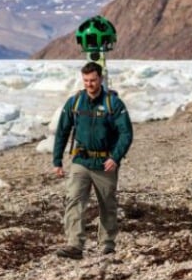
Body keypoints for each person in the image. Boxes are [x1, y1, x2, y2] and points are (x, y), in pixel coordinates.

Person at [52, 61, 133, 259]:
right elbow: (62, 131)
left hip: (105, 164)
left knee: (107, 204)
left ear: (101, 79)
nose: (89, 84)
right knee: (74, 200)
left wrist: (115, 157)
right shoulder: (75, 102)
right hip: (81, 161)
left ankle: (107, 244)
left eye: (93, 80)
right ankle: (75, 245)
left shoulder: (113, 104)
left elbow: (126, 133)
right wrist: (57, 160)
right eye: (86, 80)